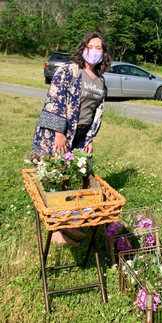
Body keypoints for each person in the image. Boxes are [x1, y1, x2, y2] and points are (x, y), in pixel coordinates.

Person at [32, 31, 112, 246]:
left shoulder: (100, 80)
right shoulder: (69, 70)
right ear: (82, 48)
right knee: (54, 179)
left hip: (80, 135)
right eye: (89, 46)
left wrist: (90, 137)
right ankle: (55, 230)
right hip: (59, 134)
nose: (93, 51)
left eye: (98, 48)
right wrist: (59, 132)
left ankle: (66, 223)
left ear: (104, 53)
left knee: (68, 179)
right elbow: (54, 99)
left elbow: (95, 111)